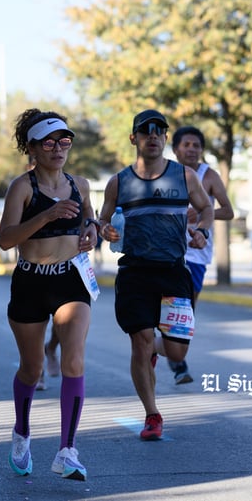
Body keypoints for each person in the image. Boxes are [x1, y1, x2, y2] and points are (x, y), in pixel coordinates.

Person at [98, 109, 213, 441]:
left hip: (174, 272)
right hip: (134, 273)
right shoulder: (118, 182)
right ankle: (152, 414)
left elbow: (206, 208)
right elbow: (103, 220)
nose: (153, 135)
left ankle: (153, 351)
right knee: (140, 339)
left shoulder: (184, 177)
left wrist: (202, 230)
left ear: (165, 138)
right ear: (134, 138)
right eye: (145, 130)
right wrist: (106, 230)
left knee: (177, 352)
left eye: (159, 131)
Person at [0, 108, 99, 480]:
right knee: (32, 367)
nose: (59, 148)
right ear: (33, 149)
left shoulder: (80, 184)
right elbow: (5, 239)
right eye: (49, 143)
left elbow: (90, 219)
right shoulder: (22, 188)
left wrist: (93, 231)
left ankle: (67, 450)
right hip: (30, 281)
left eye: (64, 141)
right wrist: (46, 215)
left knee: (73, 361)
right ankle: (22, 433)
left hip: (71, 278)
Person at [159, 126, 235, 384]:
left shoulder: (209, 175)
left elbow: (228, 211)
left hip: (196, 253)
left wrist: (202, 213)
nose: (192, 149)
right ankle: (176, 360)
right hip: (166, 250)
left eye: (197, 145)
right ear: (176, 148)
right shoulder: (164, 173)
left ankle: (172, 354)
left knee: (186, 311)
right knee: (164, 307)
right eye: (187, 144)